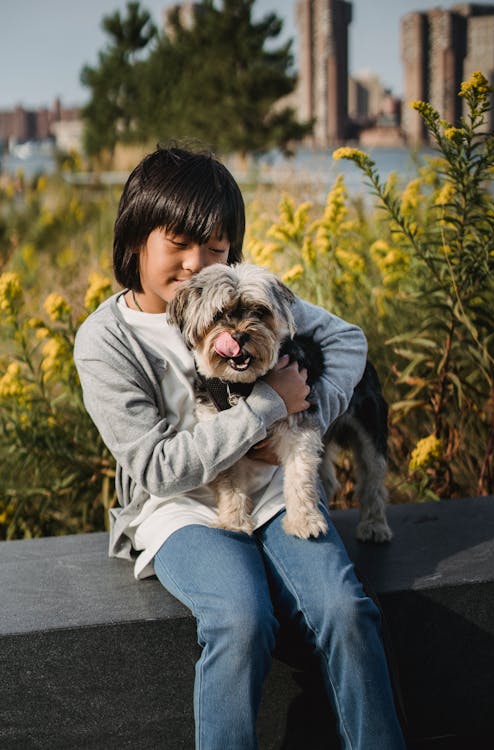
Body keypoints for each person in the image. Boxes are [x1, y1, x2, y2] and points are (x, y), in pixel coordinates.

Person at [74, 146, 406, 750]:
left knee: (345, 610)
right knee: (240, 618)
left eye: (217, 248)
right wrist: (267, 408)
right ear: (134, 242)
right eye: (177, 244)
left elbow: (349, 341)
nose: (198, 265)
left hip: (281, 492)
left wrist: (306, 412)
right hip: (179, 508)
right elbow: (154, 467)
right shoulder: (105, 341)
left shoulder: (246, 297)